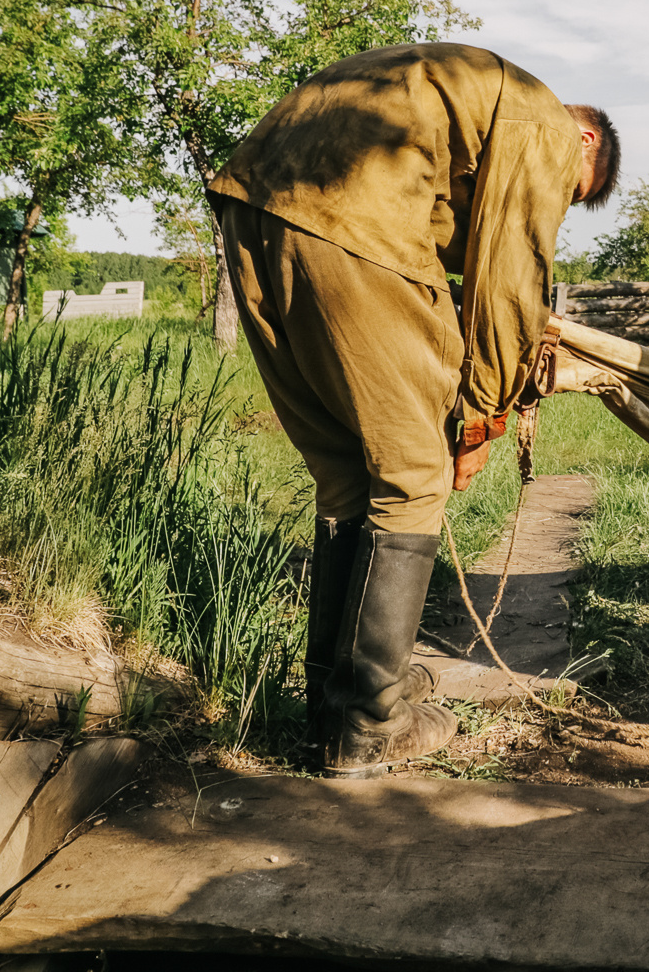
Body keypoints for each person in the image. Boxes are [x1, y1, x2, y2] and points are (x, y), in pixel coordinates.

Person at [207, 43, 618, 777]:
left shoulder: (456, 90)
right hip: (355, 222)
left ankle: (333, 707)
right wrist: (483, 418)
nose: (560, 203)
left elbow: (458, 232)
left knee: (346, 472)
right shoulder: (547, 123)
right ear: (584, 139)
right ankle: (370, 726)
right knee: (414, 475)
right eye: (571, 194)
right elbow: (509, 275)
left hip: (254, 202)